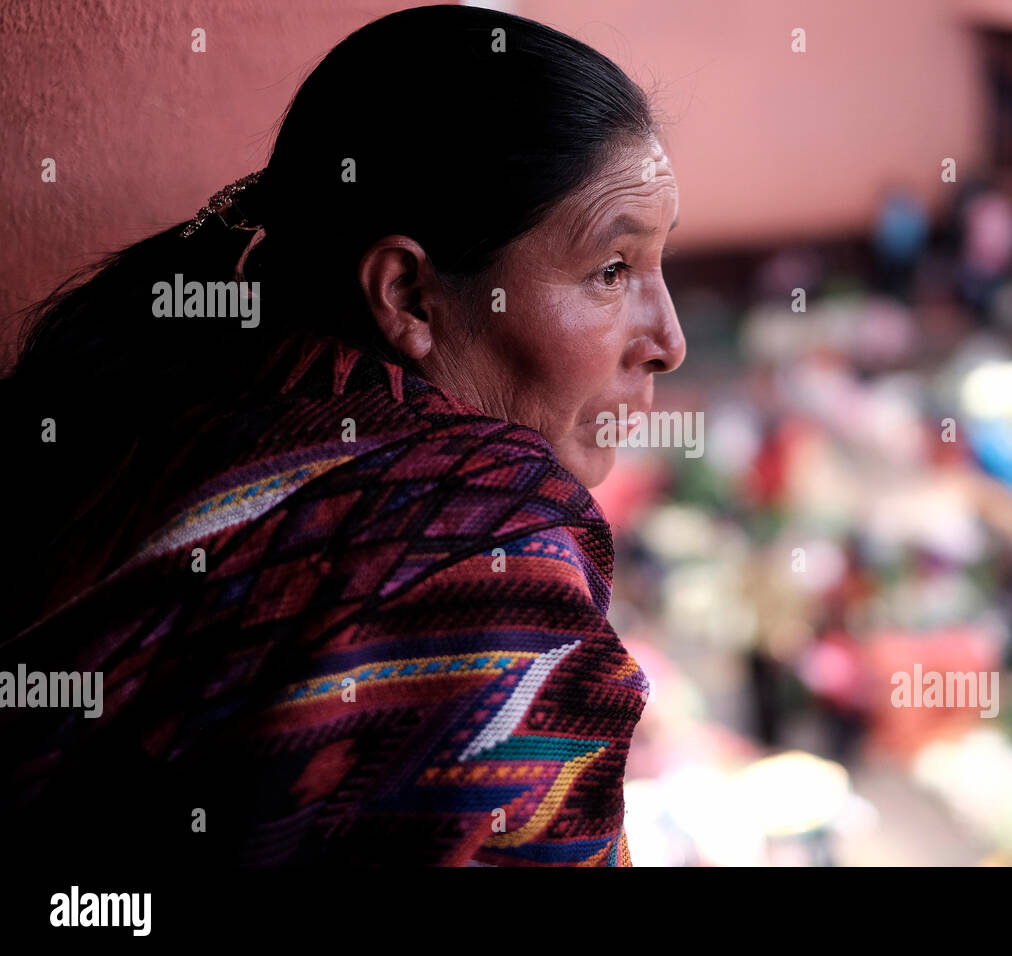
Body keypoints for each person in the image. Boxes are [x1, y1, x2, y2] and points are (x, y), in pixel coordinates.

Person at [0, 5, 684, 866]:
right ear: (406, 296)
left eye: (660, 265)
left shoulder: (183, 410)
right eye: (612, 270)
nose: (670, 340)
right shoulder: (481, 550)